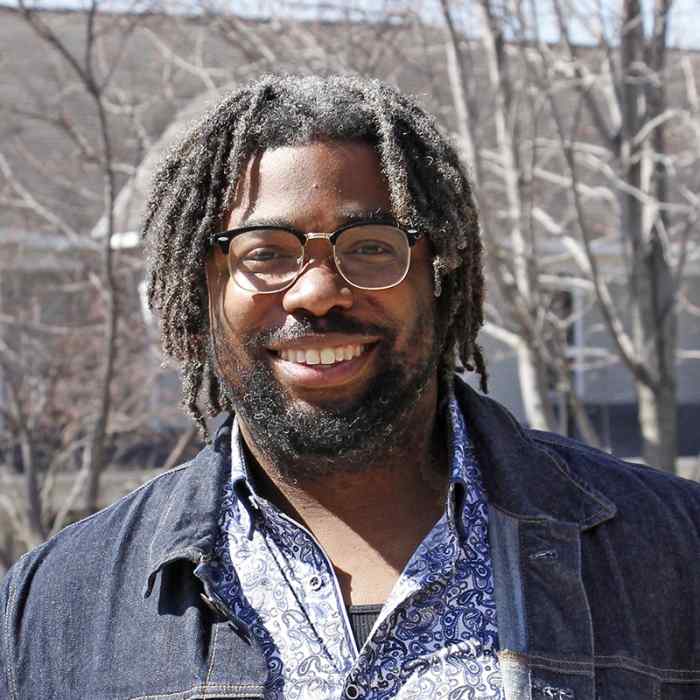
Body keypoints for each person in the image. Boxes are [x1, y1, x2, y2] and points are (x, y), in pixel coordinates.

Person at [1, 75, 699, 700]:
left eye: (369, 247)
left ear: (438, 276)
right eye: (266, 253)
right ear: (202, 286)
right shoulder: (56, 606)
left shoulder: (672, 554)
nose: (317, 292)